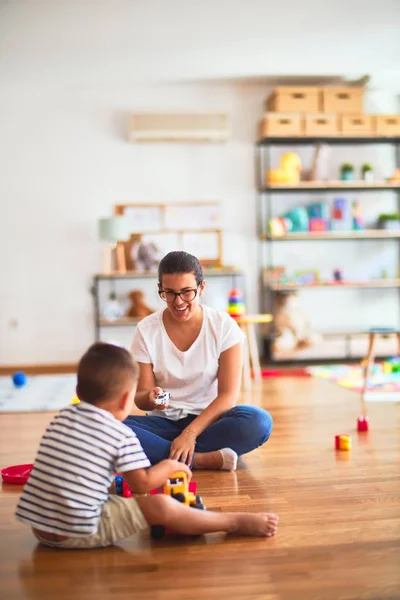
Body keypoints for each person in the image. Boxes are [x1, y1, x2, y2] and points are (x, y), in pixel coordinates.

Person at [15, 343, 279, 548]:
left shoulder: (61, 418)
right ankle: (232, 522)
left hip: (40, 530)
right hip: (79, 533)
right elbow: (143, 484)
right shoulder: (120, 434)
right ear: (125, 400)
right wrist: (170, 465)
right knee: (160, 506)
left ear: (79, 391)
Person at [124, 251, 273, 471]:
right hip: (162, 423)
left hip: (210, 422)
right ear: (160, 290)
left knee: (259, 421)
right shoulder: (146, 330)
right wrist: (151, 398)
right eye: (169, 293)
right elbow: (141, 399)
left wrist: (190, 434)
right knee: (103, 425)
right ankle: (202, 459)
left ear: (202, 288)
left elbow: (227, 397)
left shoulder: (223, 326)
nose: (178, 301)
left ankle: (164, 453)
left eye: (187, 292)